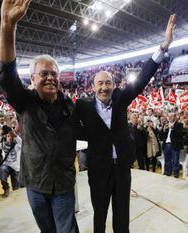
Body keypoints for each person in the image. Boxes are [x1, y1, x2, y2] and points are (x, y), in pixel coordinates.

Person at [75, 14, 176, 232]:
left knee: (122, 216)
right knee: (99, 215)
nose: (104, 88)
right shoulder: (82, 106)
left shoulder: (121, 98)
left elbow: (142, 79)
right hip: (99, 171)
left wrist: (164, 46)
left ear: (114, 85)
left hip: (121, 169)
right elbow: (73, 128)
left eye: (108, 83)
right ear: (92, 87)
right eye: (100, 84)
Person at [0, 0, 78, 232]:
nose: (50, 77)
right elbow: (6, 77)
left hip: (62, 184)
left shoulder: (71, 107)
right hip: (36, 183)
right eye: (44, 74)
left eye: (54, 73)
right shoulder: (25, 102)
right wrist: (7, 26)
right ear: (32, 79)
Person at [0, 128, 22, 197]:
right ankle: (6, 188)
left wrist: (15, 135)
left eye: (11, 136)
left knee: (16, 188)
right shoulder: (3, 145)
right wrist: (0, 134)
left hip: (16, 168)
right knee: (2, 169)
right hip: (6, 166)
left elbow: (22, 142)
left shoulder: (17, 145)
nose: (9, 138)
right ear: (5, 137)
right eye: (8, 136)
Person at [159, 112, 184, 178]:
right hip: (166, 144)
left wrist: (173, 128)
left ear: (175, 117)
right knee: (167, 160)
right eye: (169, 116)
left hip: (175, 144)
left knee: (175, 160)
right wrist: (163, 130)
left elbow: (180, 134)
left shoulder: (179, 124)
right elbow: (160, 136)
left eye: (171, 116)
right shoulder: (165, 124)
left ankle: (176, 174)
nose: (170, 117)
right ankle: (167, 172)